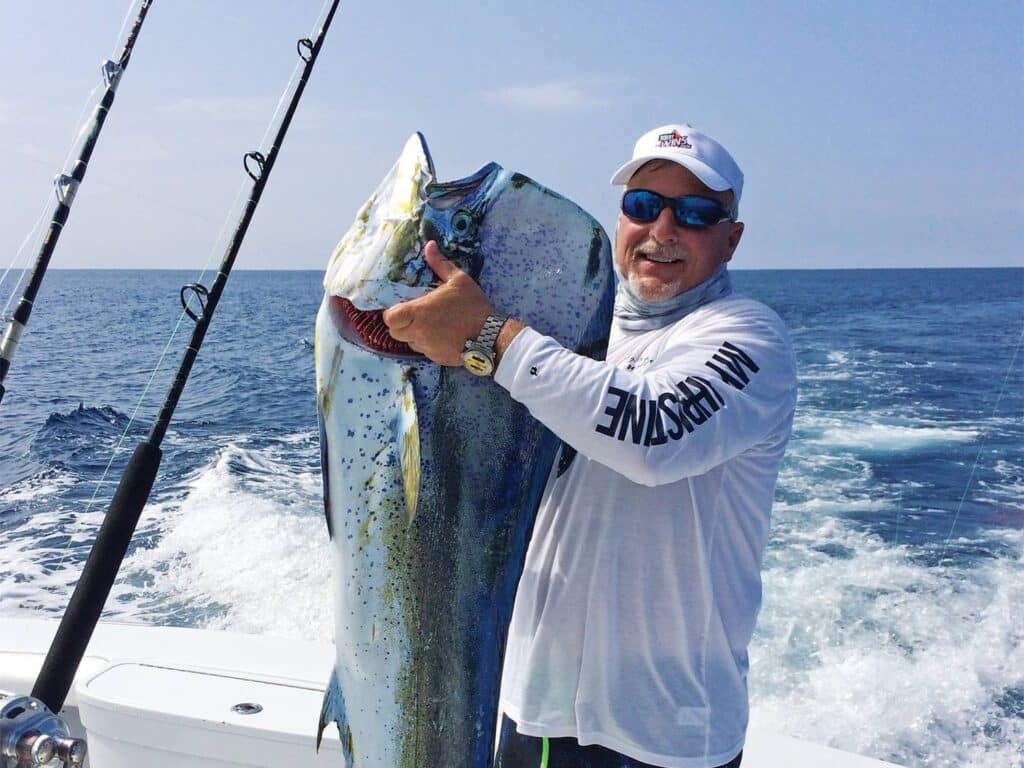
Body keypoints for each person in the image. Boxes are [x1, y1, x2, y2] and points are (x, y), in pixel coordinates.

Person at [383, 124, 798, 768]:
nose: (662, 229)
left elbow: (654, 434)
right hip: (532, 707)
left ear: (731, 238)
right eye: (642, 206)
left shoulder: (750, 338)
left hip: (662, 737)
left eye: (694, 214)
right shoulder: (574, 336)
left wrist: (489, 334)